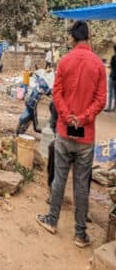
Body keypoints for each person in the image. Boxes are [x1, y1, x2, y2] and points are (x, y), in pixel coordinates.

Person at [37, 20, 107, 248]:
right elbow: (101, 100)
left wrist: (67, 117)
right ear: (89, 38)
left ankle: (52, 220)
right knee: (81, 185)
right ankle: (80, 234)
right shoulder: (98, 65)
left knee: (59, 179)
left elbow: (56, 93)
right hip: (85, 137)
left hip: (65, 133)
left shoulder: (65, 61)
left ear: (72, 39)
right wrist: (84, 118)